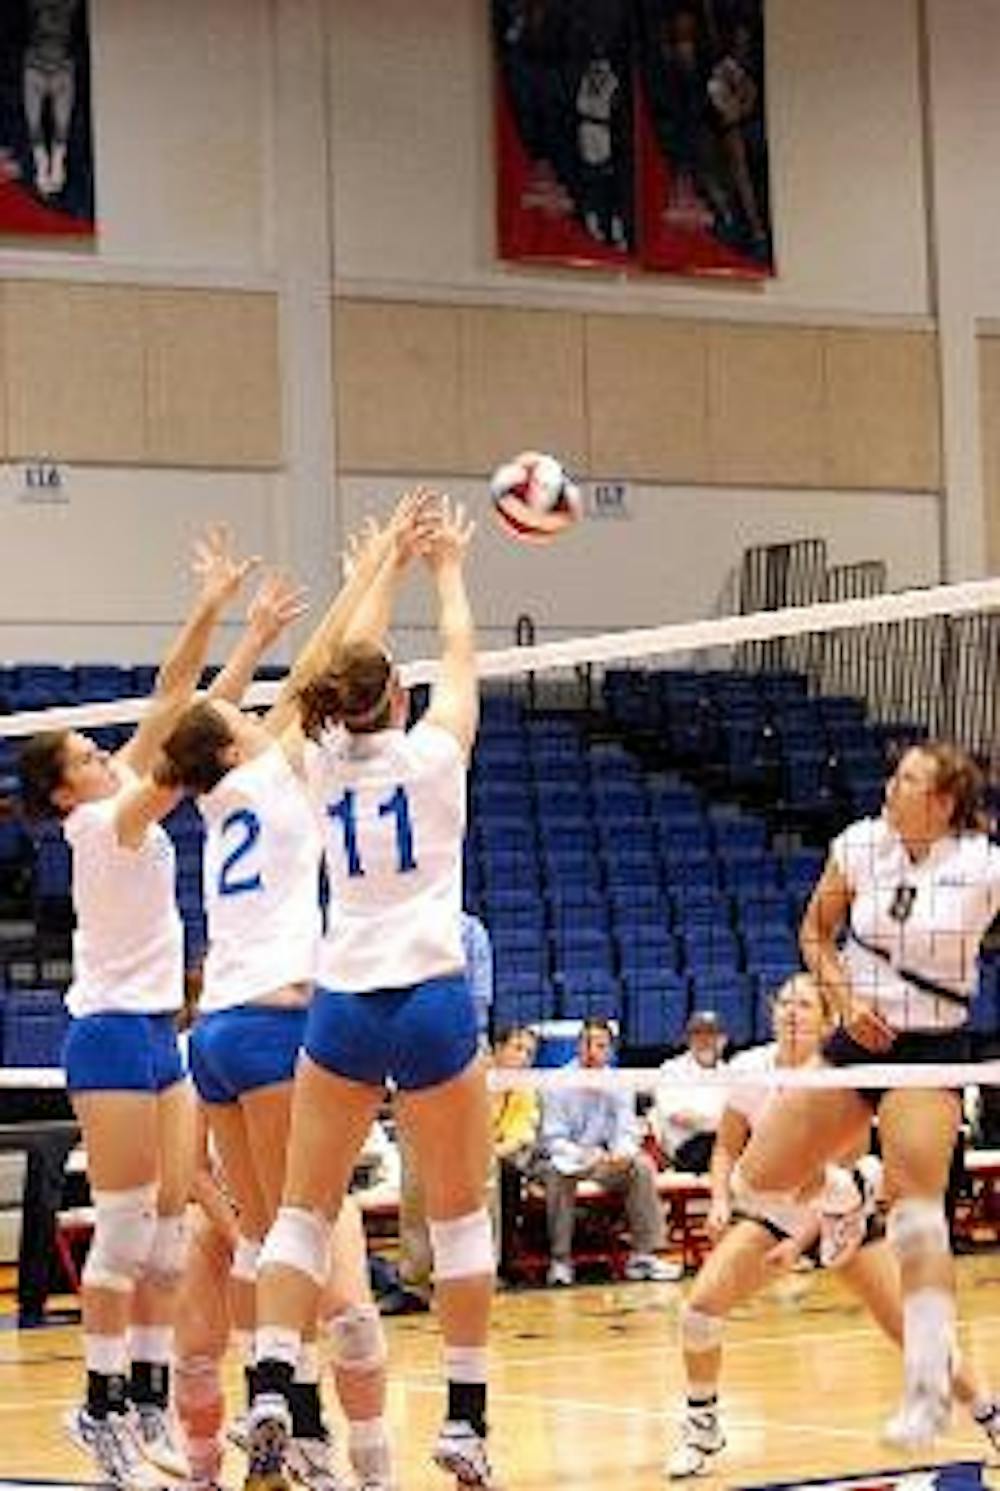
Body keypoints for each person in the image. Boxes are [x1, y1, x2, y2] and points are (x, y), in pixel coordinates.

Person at [159, 505, 436, 1491]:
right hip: (277, 1023)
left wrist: (359, 571)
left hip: (216, 1035)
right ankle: (299, 1416)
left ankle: (284, 1423)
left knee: (261, 1236)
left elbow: (277, 682)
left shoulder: (214, 792)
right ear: (232, 746)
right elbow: (334, 660)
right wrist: (384, 568)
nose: (252, 711)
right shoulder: (270, 770)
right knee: (299, 1232)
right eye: (239, 716)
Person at [244, 494, 499, 1490]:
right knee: (460, 1216)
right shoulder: (437, 751)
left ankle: (270, 1381)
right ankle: (466, 1421)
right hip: (431, 996)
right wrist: (442, 566)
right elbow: (463, 648)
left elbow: (323, 673)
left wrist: (382, 566)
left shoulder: (307, 761)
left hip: (343, 998)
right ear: (399, 699)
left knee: (303, 1214)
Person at [17, 528, 261, 1487]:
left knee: (163, 1239)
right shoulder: (99, 821)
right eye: (88, 751)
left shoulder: (111, 792)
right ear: (63, 787)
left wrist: (226, 620)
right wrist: (211, 714)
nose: (105, 756)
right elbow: (183, 736)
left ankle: (147, 1402)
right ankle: (99, 1407)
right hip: (111, 1038)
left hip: (160, 1036)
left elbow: (172, 701)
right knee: (124, 1239)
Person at [733, 743, 1000, 1449]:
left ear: (942, 802)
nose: (892, 786)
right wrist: (844, 1001)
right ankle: (843, 1199)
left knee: (917, 1211)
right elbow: (815, 933)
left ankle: (926, 1390)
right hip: (858, 1038)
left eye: (909, 778)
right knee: (754, 1181)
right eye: (895, 773)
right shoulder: (859, 843)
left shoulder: (982, 866)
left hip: (930, 1047)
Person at [666, 971, 1000, 1479]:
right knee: (700, 1311)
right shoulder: (750, 1070)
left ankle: (990, 1417)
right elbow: (726, 1148)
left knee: (913, 1332)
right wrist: (718, 1200)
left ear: (827, 1019)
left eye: (804, 1005)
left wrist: (802, 1241)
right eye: (785, 1004)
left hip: (843, 1221)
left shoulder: (841, 1077)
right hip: (774, 1215)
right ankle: (702, 1424)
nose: (791, 1013)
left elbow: (843, 1174)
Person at [383, 910, 494, 1316]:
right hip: (408, 1049)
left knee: (476, 1173)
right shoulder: (394, 927)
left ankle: (477, 1273)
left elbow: (479, 1000)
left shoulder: (470, 931)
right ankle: (414, 1281)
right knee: (415, 1175)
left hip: (463, 1046)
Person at [538, 1017, 680, 1286]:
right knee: (556, 1174)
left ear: (610, 1050)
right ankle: (560, 1260)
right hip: (569, 1158)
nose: (592, 1052)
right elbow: (553, 1138)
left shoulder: (618, 1082)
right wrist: (587, 1155)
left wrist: (621, 1153)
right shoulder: (557, 1083)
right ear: (578, 1047)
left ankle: (644, 1256)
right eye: (587, 1044)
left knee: (641, 1166)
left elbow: (627, 1129)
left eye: (600, 1046)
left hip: (606, 1160)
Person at [491, 1025, 541, 1281]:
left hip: (501, 1159)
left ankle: (504, 1260)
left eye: (529, 1053)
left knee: (507, 1173)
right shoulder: (476, 1082)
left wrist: (491, 1155)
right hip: (464, 1156)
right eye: (518, 1048)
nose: (523, 1058)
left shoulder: (525, 1090)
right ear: (498, 1050)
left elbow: (519, 1136)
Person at [651, 1010, 728, 1173]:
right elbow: (679, 1117)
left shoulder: (732, 1072)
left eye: (711, 1034)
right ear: (689, 1040)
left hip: (725, 1143)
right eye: (698, 1035)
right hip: (687, 1149)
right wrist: (721, 1125)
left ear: (723, 1040)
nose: (705, 1041)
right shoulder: (671, 1069)